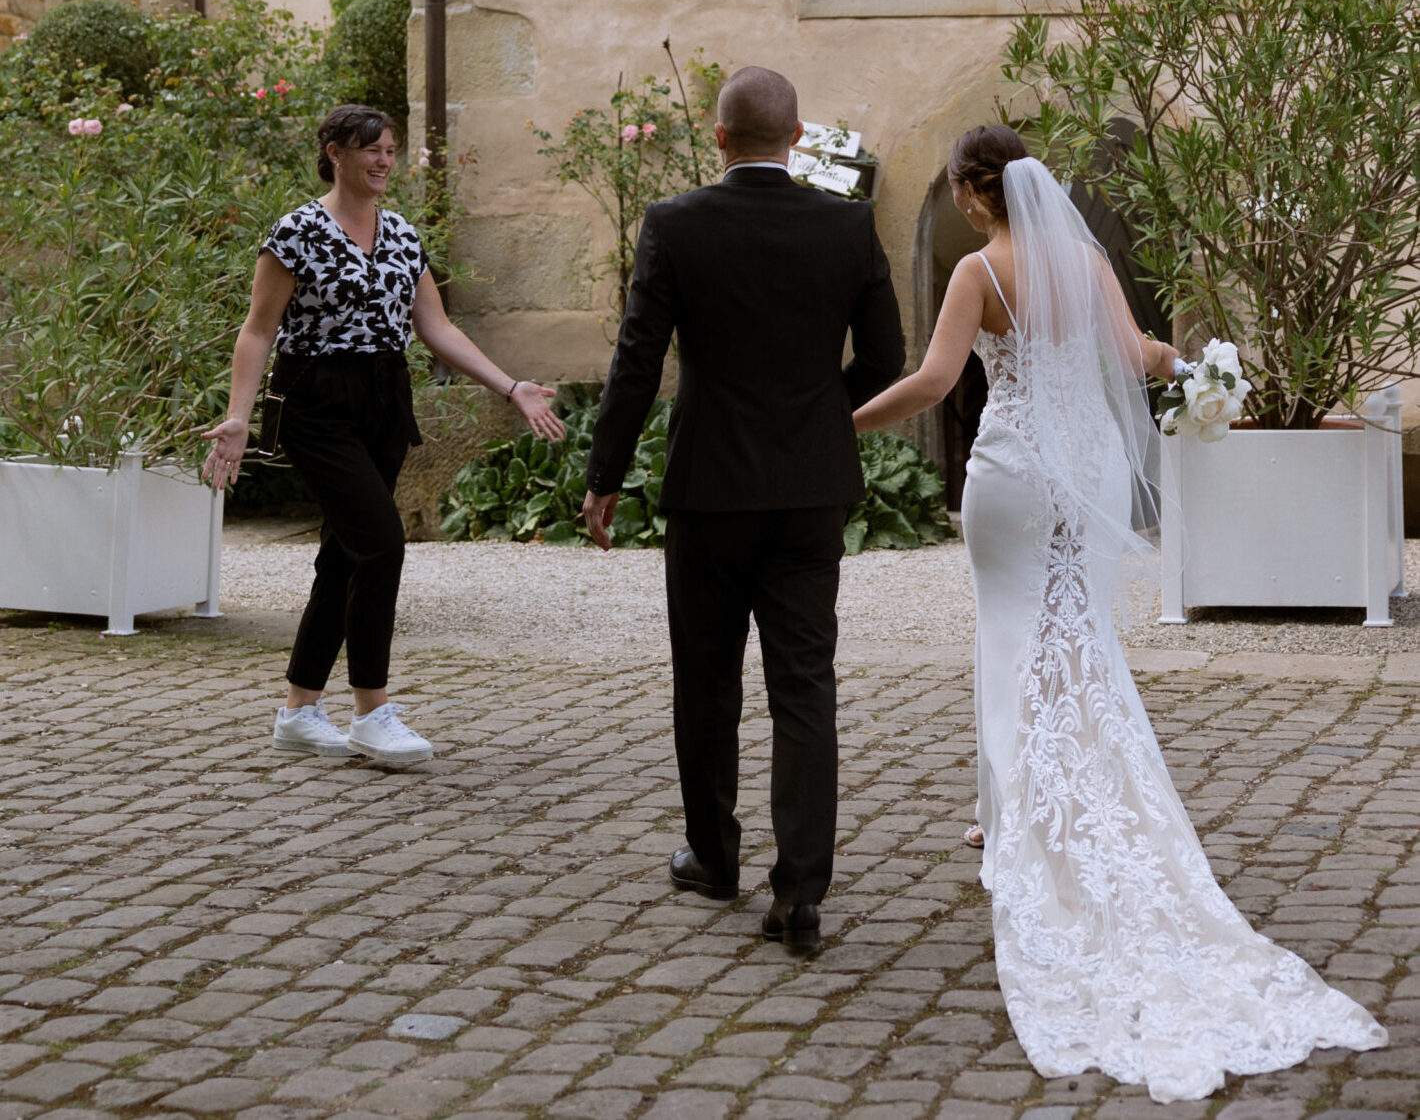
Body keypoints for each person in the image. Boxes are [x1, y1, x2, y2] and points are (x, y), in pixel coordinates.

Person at [853, 124, 1386, 1101]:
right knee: (1075, 637)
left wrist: (837, 421)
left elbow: (934, 383)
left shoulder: (979, 269)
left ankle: (1011, 814)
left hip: (1014, 470)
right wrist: (1195, 365)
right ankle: (1000, 809)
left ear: (975, 192)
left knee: (1010, 635)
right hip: (1088, 466)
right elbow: (1136, 356)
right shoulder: (1085, 257)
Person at [582, 67, 905, 948]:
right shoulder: (846, 224)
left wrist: (604, 473)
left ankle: (713, 857)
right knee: (805, 685)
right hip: (809, 492)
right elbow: (886, 355)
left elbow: (637, 361)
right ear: (797, 137)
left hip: (710, 488)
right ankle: (800, 890)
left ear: (717, 138)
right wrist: (816, 414)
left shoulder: (676, 225)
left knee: (707, 677)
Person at [203, 104, 564, 767]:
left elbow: (437, 328)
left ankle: (298, 710)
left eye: (391, 150)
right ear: (335, 152)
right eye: (370, 149)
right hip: (316, 400)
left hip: (383, 400)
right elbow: (257, 329)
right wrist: (238, 415)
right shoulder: (296, 232)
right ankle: (372, 711)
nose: (382, 160)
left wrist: (510, 385)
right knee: (382, 546)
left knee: (344, 556)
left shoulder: (400, 234)